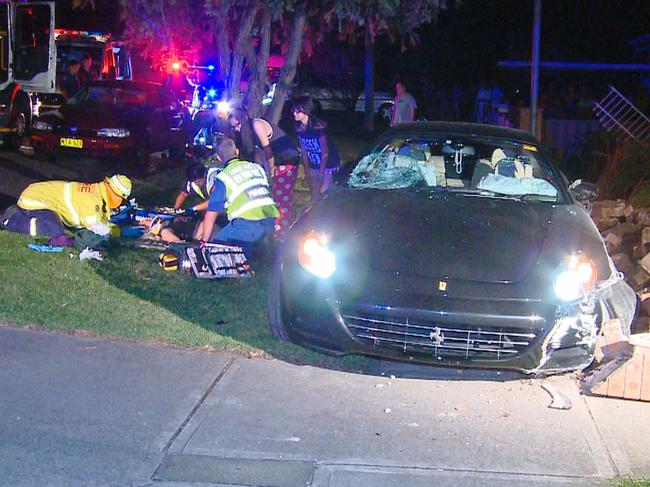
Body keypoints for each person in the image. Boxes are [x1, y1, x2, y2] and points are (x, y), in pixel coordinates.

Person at [228, 108, 301, 238]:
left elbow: (268, 152)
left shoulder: (257, 125)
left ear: (243, 120)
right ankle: (273, 230)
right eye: (233, 127)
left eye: (237, 125)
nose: (236, 129)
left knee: (281, 200)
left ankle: (281, 234)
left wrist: (271, 173)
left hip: (286, 162)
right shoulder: (248, 135)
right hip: (276, 163)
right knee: (272, 197)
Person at [200, 138, 278, 258]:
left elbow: (211, 215)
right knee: (242, 235)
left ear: (219, 158)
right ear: (237, 151)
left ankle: (243, 261)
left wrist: (205, 243)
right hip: (270, 220)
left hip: (249, 224)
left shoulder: (223, 177)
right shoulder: (256, 167)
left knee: (216, 248)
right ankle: (258, 252)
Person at [1, 174, 132, 238]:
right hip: (36, 200)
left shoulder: (97, 192)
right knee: (54, 230)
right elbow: (98, 228)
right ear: (115, 194)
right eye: (122, 198)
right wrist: (121, 232)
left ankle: (18, 214)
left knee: (55, 227)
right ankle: (12, 220)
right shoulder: (92, 200)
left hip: (39, 197)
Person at [292, 96, 340, 201]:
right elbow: (304, 151)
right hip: (313, 161)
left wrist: (321, 173)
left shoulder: (318, 127)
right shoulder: (299, 128)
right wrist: (307, 171)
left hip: (328, 163)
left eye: (298, 111)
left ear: (306, 110)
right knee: (314, 191)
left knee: (324, 191)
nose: (294, 113)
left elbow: (325, 152)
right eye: (294, 110)